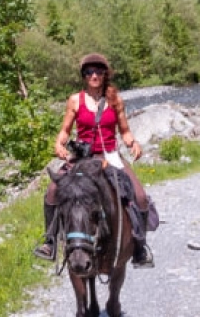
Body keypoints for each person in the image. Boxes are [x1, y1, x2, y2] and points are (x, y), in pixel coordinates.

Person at [36, 53, 154, 266]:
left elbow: (125, 131)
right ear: (84, 76)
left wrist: (133, 144)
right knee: (53, 190)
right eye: (89, 72)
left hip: (110, 155)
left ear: (104, 74)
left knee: (140, 196)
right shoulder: (75, 100)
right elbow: (64, 131)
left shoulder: (115, 99)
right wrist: (58, 145)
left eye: (98, 71)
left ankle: (139, 246)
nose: (94, 75)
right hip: (83, 156)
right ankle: (50, 241)